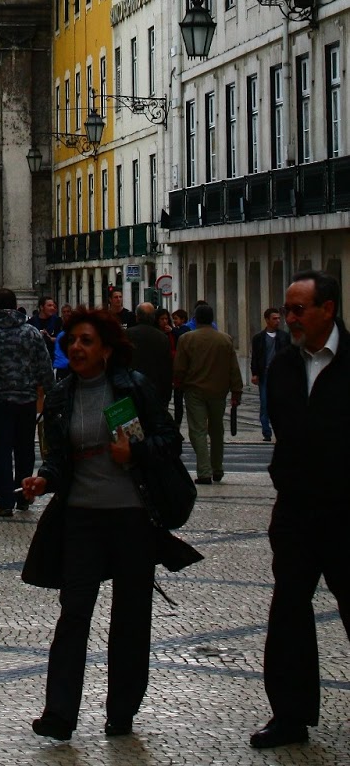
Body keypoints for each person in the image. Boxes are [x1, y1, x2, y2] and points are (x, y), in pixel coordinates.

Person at [22, 308, 198, 741]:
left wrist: (134, 453)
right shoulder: (61, 396)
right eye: (71, 341)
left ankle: (122, 711)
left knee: (131, 617)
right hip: (81, 517)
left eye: (85, 341)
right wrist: (44, 479)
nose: (76, 348)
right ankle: (59, 713)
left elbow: (169, 441)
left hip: (132, 516)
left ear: (105, 349)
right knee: (74, 613)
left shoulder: (131, 387)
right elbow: (59, 460)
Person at [249, 271, 350, 749]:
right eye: (287, 309)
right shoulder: (285, 364)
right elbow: (286, 430)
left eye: (298, 309)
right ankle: (290, 716)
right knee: (289, 609)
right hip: (296, 511)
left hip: (347, 511)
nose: (290, 318)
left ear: (328, 309)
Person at [0, 287, 54, 517]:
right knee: (25, 450)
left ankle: (5, 502)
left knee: (2, 454)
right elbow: (45, 365)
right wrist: (51, 394)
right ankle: (24, 497)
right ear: (16, 305)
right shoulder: (31, 333)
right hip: (27, 400)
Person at [173, 301, 242, 483]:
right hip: (219, 391)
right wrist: (236, 391)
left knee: (198, 430)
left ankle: (204, 471)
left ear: (196, 319)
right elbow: (233, 368)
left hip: (194, 390)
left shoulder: (186, 339)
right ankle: (217, 467)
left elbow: (179, 367)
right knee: (217, 430)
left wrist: (178, 383)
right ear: (212, 319)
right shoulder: (225, 339)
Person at [250, 307, 290, 444]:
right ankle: (266, 432)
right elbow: (255, 357)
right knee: (265, 403)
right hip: (265, 375)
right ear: (267, 320)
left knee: (281, 404)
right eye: (274, 318)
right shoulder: (258, 338)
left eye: (279, 318)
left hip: (281, 375)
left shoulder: (284, 337)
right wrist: (255, 373)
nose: (278, 321)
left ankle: (280, 431)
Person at [125, 302, 173, 404]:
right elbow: (167, 367)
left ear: (137, 317)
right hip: (156, 388)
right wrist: (167, 394)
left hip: (132, 388)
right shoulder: (162, 337)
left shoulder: (127, 334)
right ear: (153, 317)